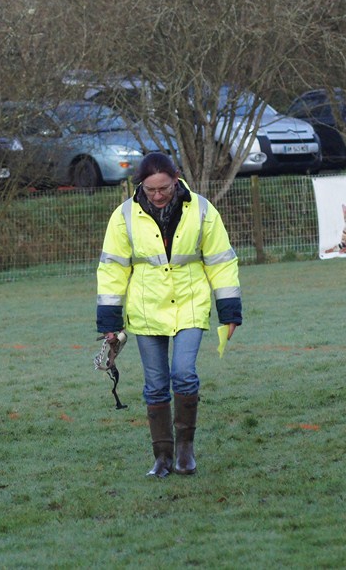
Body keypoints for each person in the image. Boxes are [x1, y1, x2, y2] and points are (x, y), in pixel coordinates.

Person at [96, 152, 242, 477]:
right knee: (156, 385)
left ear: (176, 179)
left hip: (190, 303)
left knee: (184, 374)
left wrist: (229, 310)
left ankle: (185, 450)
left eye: (164, 188)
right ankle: (162, 456)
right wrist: (109, 322)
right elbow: (112, 269)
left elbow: (221, 261)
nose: (158, 196)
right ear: (141, 187)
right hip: (145, 309)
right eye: (151, 191)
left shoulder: (203, 210)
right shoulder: (123, 217)